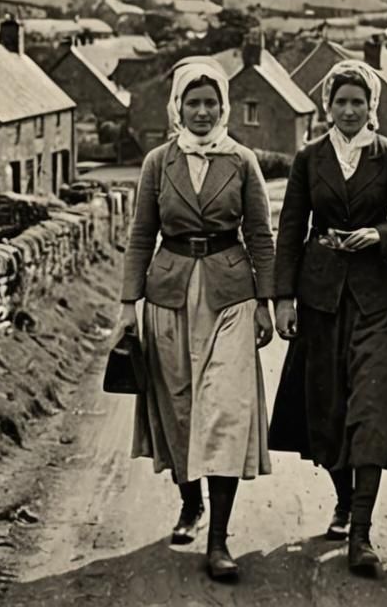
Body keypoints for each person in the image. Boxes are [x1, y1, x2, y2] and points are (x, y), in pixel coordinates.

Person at [119, 57, 276, 581]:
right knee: (179, 405)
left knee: (226, 410)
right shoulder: (158, 163)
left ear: (224, 106)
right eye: (194, 103)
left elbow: (261, 236)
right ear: (178, 108)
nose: (203, 112)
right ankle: (191, 501)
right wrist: (127, 305)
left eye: (211, 103)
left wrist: (267, 304)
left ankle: (218, 539)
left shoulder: (242, 161)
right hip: (167, 291)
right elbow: (142, 235)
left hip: (231, 292)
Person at [269, 59, 387, 574]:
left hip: (377, 299)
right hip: (321, 299)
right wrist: (283, 299)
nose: (350, 110)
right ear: (327, 106)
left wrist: (379, 236)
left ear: (372, 106)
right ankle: (341, 496)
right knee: (328, 408)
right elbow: (290, 229)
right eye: (341, 101)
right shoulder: (309, 158)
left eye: (359, 102)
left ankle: (361, 531)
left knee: (372, 410)